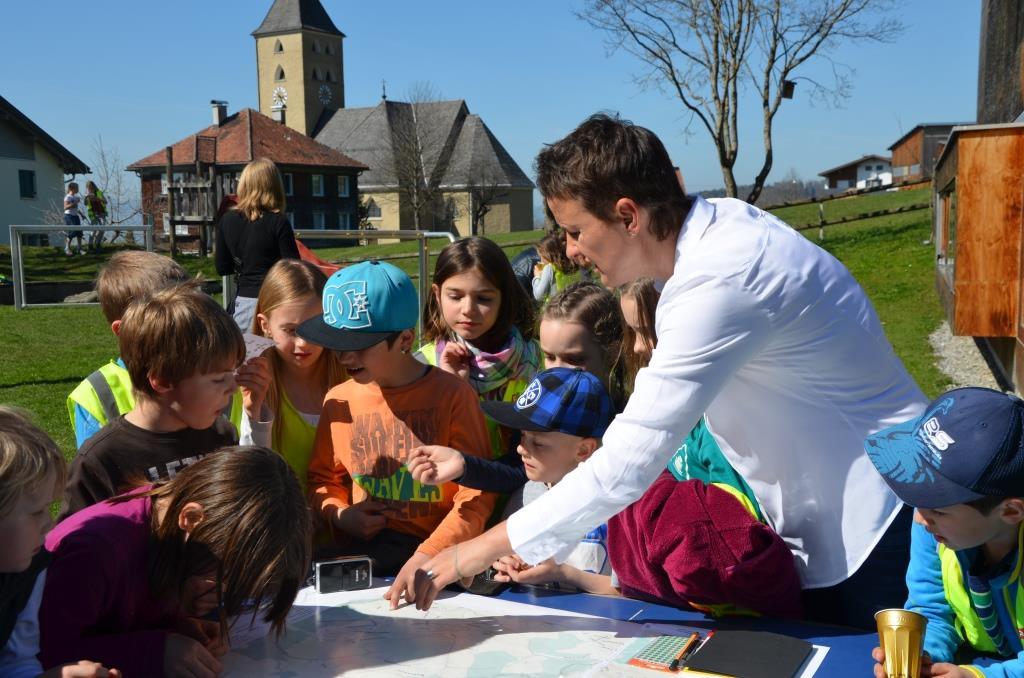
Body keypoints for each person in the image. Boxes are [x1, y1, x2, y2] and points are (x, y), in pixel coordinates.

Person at [411, 113, 927, 630]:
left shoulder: (721, 278)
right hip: (832, 514)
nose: (570, 251)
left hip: (874, 519)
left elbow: (627, 462)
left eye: (576, 231)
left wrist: (472, 552)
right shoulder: (713, 235)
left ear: (628, 216)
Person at [298, 260, 497, 607]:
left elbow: (477, 494)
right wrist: (341, 514)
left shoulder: (453, 396)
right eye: (337, 342)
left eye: (359, 344)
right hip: (364, 566)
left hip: (438, 566)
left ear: (405, 339)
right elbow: (322, 480)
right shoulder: (338, 400)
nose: (344, 355)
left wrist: (429, 555)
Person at [39, 446, 311, 677]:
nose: (220, 593)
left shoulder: (174, 527)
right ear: (191, 519)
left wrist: (179, 623)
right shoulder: (95, 552)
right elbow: (42, 655)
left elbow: (130, 612)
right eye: (225, 578)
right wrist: (155, 651)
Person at [61, 284, 258, 518]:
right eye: (218, 379)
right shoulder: (101, 461)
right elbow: (74, 536)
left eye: (233, 372)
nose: (233, 387)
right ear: (163, 381)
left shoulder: (222, 435)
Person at [408, 281, 624, 495]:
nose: (557, 370)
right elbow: (517, 468)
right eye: (549, 356)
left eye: (574, 359)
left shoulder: (631, 420)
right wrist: (463, 465)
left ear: (613, 352)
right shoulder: (541, 402)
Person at [866, 387, 1024, 678]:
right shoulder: (934, 527)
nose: (920, 519)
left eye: (938, 510)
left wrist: (979, 676)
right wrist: (923, 655)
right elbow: (931, 608)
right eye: (918, 501)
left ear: (1011, 512)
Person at [0, 407, 120, 678]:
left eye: (49, 508)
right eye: (36, 512)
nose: (48, 524)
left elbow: (15, 662)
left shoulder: (29, 566)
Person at [65, 251, 217, 450]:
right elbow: (95, 466)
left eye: (193, 313)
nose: (190, 327)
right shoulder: (97, 393)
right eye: (170, 321)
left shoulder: (220, 373)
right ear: (123, 330)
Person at [417, 236, 542, 457]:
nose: (468, 309)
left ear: (504, 298)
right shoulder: (420, 367)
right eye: (455, 296)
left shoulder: (541, 359)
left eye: (483, 298)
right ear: (437, 295)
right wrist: (451, 390)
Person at [243, 259, 347, 489]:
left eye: (316, 327)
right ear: (265, 325)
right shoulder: (252, 385)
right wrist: (253, 414)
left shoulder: (350, 377)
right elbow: (245, 474)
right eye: (291, 330)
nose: (303, 343)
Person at [215, 157, 300, 330]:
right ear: (274, 186)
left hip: (243, 304)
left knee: (246, 348)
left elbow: (222, 268)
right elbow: (293, 269)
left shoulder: (227, 220)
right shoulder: (278, 221)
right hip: (274, 302)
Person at [531, 230, 581, 303]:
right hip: (573, 303)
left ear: (547, 254)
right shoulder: (572, 263)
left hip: (556, 306)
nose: (541, 259)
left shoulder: (549, 268)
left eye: (541, 256)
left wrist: (537, 276)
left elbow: (539, 296)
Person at [84, 181, 108, 252]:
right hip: (93, 214)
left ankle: (97, 243)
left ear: (94, 186)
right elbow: (85, 204)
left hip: (102, 213)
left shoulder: (99, 193)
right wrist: (86, 197)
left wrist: (98, 199)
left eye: (91, 187)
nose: (90, 189)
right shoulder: (87, 194)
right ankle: (90, 245)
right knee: (93, 230)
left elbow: (105, 201)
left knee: (102, 228)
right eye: (89, 188)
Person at [63, 182, 85, 256]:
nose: (78, 189)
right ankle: (67, 248)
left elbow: (76, 209)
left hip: (75, 216)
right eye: (77, 188)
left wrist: (81, 215)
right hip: (69, 216)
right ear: (72, 188)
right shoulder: (68, 197)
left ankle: (79, 249)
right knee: (73, 231)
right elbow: (65, 207)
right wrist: (75, 202)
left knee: (79, 232)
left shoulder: (75, 197)